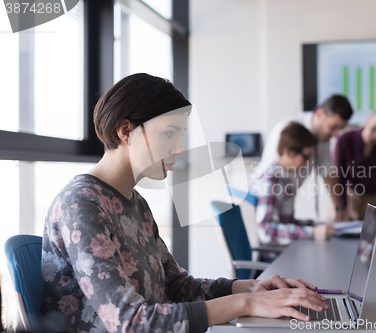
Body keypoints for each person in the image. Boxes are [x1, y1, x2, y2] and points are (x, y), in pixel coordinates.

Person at [40, 74, 329, 333]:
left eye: (180, 135)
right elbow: (132, 322)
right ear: (126, 131)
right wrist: (247, 304)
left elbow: (177, 286)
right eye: (169, 133)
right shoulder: (80, 206)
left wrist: (250, 287)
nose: (179, 148)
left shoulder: (135, 202)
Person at [251, 95, 353, 219]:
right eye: (333, 127)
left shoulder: (323, 137)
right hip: (266, 201)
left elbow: (328, 172)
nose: (335, 134)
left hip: (285, 202)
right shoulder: (288, 132)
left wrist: (340, 209)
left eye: (340, 129)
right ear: (320, 114)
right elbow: (271, 177)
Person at [253, 122, 336, 256]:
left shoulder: (283, 178)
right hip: (275, 260)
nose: (309, 162)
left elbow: (286, 221)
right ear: (288, 153)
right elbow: (266, 231)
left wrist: (313, 225)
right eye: (306, 156)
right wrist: (312, 233)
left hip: (284, 253)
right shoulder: (272, 181)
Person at [331, 107, 376, 224]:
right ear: (368, 120)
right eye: (374, 129)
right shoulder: (345, 139)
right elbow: (340, 178)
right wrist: (343, 208)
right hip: (348, 197)